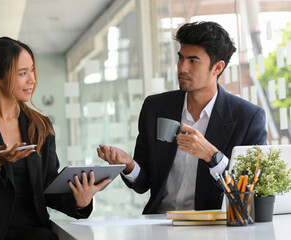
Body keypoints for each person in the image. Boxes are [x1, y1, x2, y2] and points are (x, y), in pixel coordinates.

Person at [0, 37, 111, 240]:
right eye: (22, 73)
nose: (32, 80)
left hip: (34, 233)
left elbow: (46, 186)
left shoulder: (40, 125)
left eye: (32, 70)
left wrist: (79, 201)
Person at [97, 21, 267, 214]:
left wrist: (212, 157)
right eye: (181, 58)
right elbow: (144, 183)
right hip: (160, 224)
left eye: (193, 61)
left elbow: (253, 189)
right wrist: (129, 165)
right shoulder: (155, 108)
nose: (182, 67)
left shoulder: (248, 118)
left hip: (213, 227)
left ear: (217, 68)